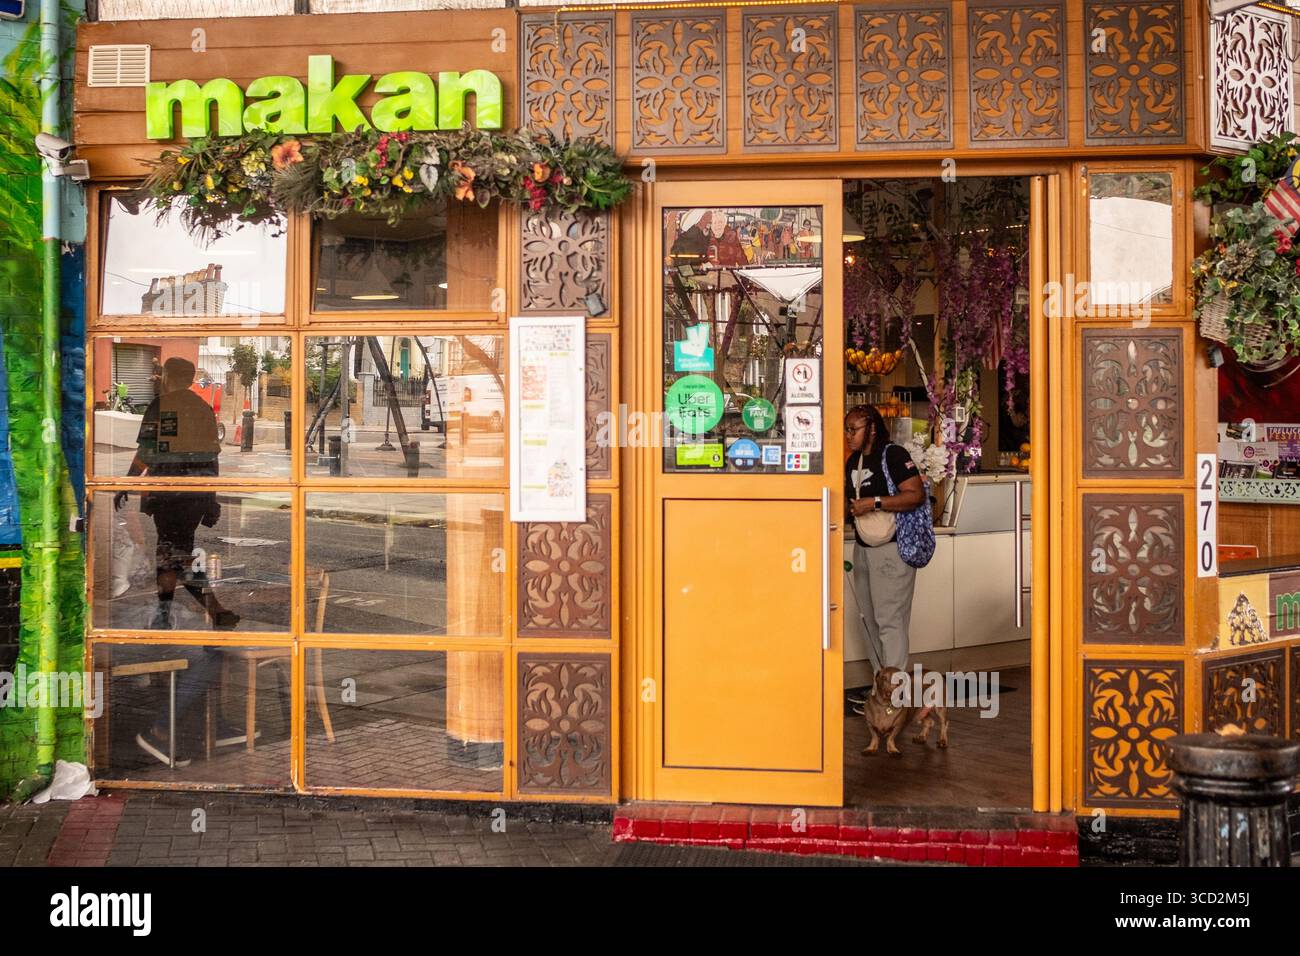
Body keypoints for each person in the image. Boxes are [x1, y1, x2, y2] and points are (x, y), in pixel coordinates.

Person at [113, 356, 238, 631]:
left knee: (173, 556)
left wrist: (127, 482)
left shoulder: (160, 406)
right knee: (174, 554)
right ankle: (176, 613)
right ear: (191, 379)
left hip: (167, 495)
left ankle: (208, 612)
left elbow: (146, 452)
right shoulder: (203, 409)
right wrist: (211, 499)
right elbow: (211, 459)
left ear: (168, 377)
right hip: (194, 496)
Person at [844, 404, 926, 704]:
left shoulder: (893, 455)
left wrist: (874, 502)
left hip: (891, 547)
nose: (848, 435)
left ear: (871, 429)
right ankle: (881, 687)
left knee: (890, 620)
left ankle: (896, 692)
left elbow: (915, 495)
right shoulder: (853, 460)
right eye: (846, 429)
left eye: (854, 429)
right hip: (863, 547)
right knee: (869, 620)